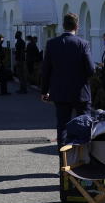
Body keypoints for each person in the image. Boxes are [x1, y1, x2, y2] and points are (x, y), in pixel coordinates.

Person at [40, 13, 94, 149]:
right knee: (84, 126)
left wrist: (44, 91)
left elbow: (46, 70)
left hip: (60, 92)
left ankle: (63, 164)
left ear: (63, 26)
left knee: (62, 127)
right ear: (77, 26)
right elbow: (91, 70)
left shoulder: (52, 44)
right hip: (81, 93)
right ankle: (83, 161)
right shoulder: (83, 44)